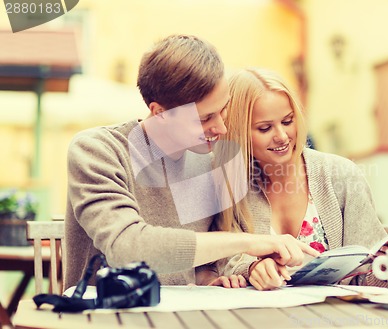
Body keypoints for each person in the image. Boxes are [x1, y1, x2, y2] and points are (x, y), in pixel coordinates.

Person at [64, 35, 318, 290]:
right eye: (204, 118)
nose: (221, 127)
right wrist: (247, 242)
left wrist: (209, 277)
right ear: (160, 113)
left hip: (183, 314)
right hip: (107, 317)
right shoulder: (98, 150)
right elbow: (127, 249)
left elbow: (202, 262)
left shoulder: (210, 163)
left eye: (223, 109)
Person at [215, 68, 388, 290]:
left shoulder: (342, 175)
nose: (282, 136)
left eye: (287, 121)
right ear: (239, 133)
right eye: (265, 128)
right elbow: (218, 261)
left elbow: (369, 280)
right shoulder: (228, 184)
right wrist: (250, 268)